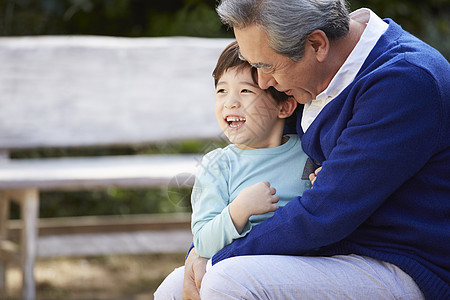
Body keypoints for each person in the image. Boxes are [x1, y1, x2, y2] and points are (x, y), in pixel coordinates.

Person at [183, 0, 450, 299]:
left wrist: (218, 257)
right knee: (177, 287)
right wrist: (200, 250)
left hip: (403, 263)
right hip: (331, 250)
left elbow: (323, 213)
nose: (262, 82)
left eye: (266, 66)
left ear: (316, 44)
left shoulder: (404, 82)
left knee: (226, 281)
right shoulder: (311, 76)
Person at [154, 40, 311, 299]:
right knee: (170, 289)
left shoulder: (307, 151)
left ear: (284, 106)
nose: (230, 103)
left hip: (289, 269)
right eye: (222, 90)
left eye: (246, 92)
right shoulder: (217, 166)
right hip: (234, 264)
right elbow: (203, 242)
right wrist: (240, 209)